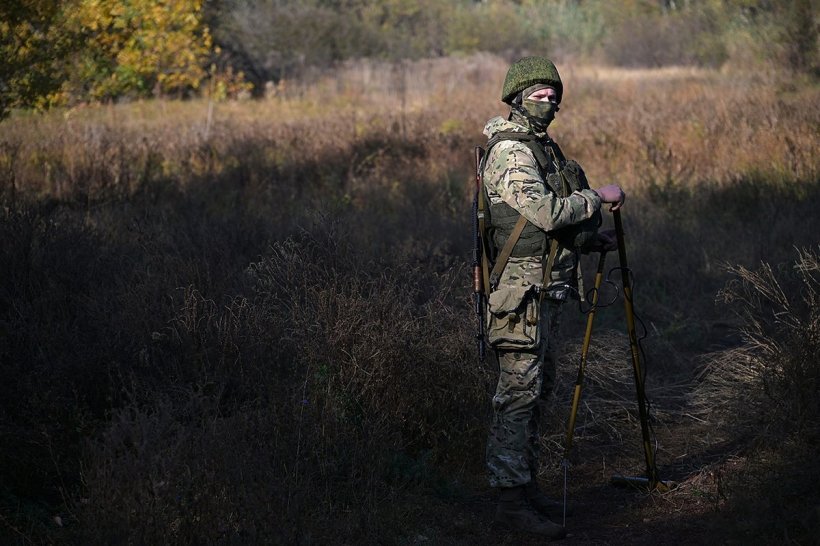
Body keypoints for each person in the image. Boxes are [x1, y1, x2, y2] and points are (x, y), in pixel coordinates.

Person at [480, 56, 625, 538]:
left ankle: (526, 488)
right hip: (520, 294)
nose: (549, 101)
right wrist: (598, 198)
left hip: (546, 289)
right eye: (539, 94)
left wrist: (590, 240)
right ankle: (509, 503)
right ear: (517, 98)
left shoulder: (545, 150)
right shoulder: (511, 153)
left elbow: (552, 227)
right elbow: (542, 212)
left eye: (553, 94)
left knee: (538, 392)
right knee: (517, 396)